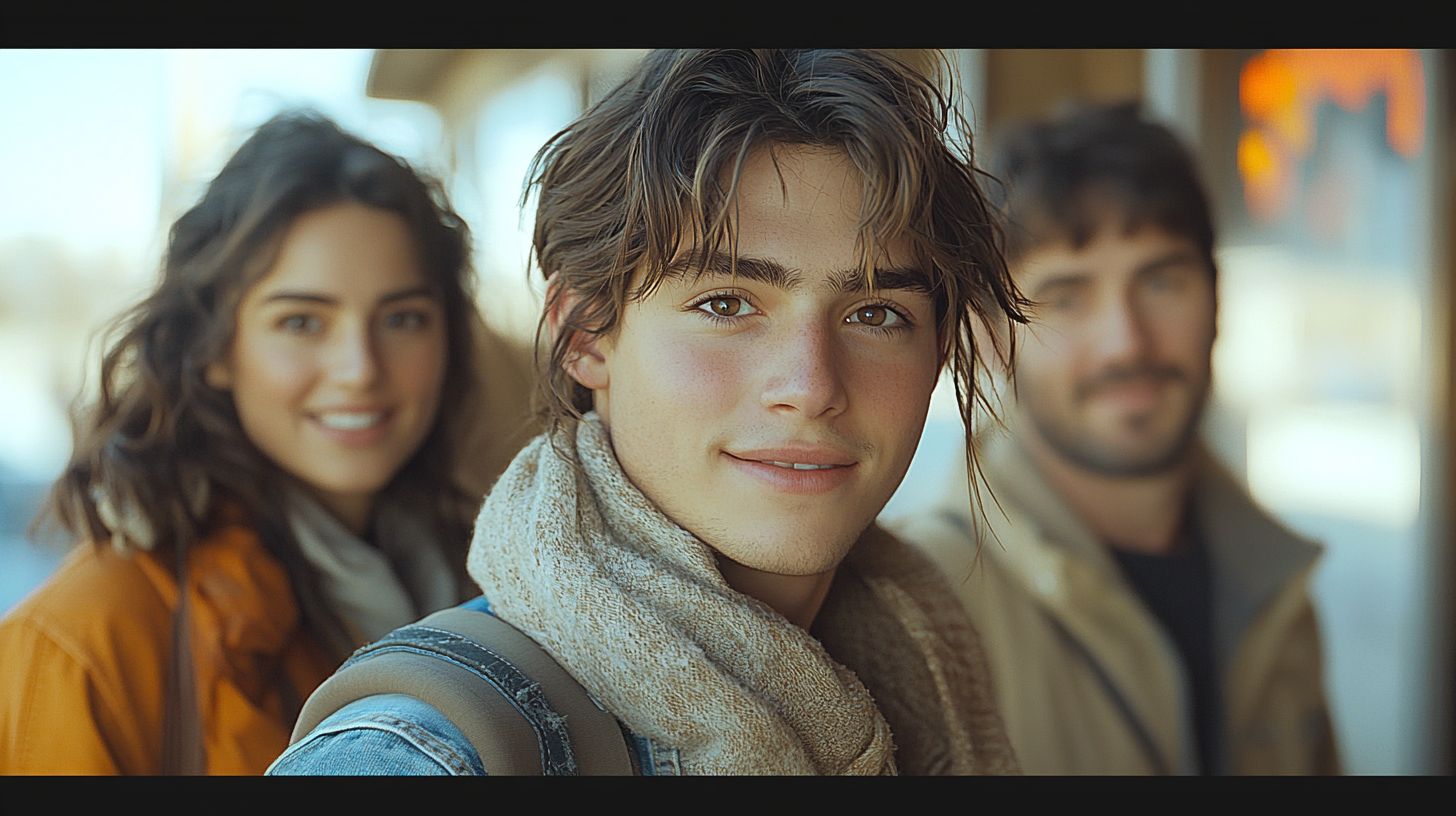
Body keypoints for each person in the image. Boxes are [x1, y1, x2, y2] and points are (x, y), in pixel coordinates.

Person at [270, 48, 1025, 776]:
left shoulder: (932, 679)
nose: (810, 384)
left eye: (875, 313)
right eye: (726, 304)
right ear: (585, 335)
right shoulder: (423, 756)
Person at [0, 112, 497, 774]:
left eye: (403, 318)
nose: (360, 367)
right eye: (301, 321)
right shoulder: (87, 639)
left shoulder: (493, 585)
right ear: (214, 349)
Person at [886, 104, 1339, 775]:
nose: (1127, 340)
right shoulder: (916, 611)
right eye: (1067, 296)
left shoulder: (1278, 590)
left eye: (1161, 281)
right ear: (986, 338)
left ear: (1217, 300)